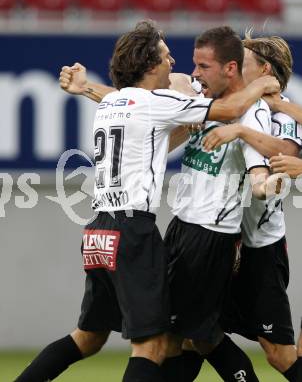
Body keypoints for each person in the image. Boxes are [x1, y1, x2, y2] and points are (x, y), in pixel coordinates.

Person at [14, 21, 279, 382]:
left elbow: (164, 130)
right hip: (131, 232)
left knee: (88, 339)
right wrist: (262, 84)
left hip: (97, 232)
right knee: (153, 346)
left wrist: (85, 87)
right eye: (167, 56)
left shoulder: (111, 103)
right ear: (151, 65)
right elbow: (229, 112)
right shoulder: (157, 103)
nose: (174, 64)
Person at [203, 32, 302, 382]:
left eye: (242, 62)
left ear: (264, 71)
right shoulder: (235, 104)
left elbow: (287, 154)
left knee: (279, 355)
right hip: (228, 240)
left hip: (262, 248)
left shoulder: (281, 111)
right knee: (194, 331)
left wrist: (242, 134)